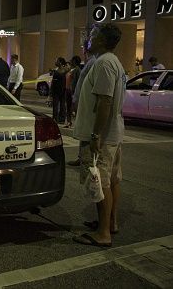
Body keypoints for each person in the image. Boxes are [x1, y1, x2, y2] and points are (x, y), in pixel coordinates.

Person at [72, 23, 126, 248]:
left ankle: (103, 233)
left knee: (99, 182)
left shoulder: (104, 63)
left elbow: (105, 101)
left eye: (93, 35)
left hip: (102, 136)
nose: (89, 39)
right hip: (113, 133)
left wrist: (95, 135)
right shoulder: (113, 62)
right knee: (111, 180)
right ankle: (110, 223)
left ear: (103, 40)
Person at [68, 45, 97, 167]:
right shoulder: (90, 62)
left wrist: (77, 99)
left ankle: (87, 159)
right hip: (82, 101)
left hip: (87, 103)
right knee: (83, 130)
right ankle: (82, 157)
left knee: (86, 131)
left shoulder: (95, 62)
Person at [64, 55, 82, 128]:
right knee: (68, 107)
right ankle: (69, 122)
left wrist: (75, 92)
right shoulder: (70, 69)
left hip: (73, 92)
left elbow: (78, 81)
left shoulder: (77, 70)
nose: (70, 61)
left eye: (72, 60)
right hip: (68, 90)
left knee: (75, 108)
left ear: (75, 61)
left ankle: (78, 124)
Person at [50, 57, 68, 124]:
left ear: (60, 62)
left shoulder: (63, 71)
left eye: (56, 61)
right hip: (57, 90)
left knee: (61, 105)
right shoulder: (57, 70)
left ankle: (60, 118)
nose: (55, 62)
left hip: (61, 90)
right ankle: (57, 118)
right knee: (56, 105)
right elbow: (53, 81)